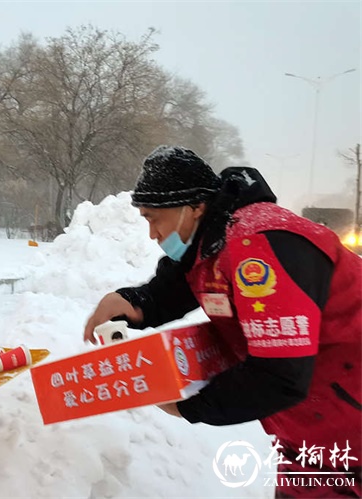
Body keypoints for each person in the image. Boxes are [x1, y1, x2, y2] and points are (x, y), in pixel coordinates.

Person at [84, 145, 361, 498]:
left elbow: (281, 374)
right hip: (314, 438)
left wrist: (190, 406)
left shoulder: (258, 247)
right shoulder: (210, 244)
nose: (152, 234)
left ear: (194, 206)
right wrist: (135, 302)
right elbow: (180, 284)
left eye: (153, 217)